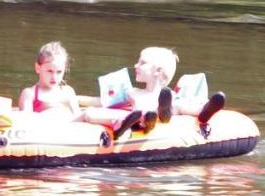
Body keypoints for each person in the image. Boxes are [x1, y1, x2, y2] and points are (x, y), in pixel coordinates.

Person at [25, 41, 145, 139]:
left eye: (59, 72)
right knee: (88, 112)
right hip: (48, 127)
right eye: (49, 71)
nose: (54, 77)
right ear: (38, 68)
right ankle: (118, 122)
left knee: (89, 112)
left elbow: (77, 115)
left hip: (70, 126)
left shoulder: (67, 91)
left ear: (65, 70)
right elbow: (26, 120)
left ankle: (132, 121)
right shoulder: (30, 93)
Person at [96, 46, 227, 133]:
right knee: (147, 107)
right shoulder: (134, 92)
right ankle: (151, 119)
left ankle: (205, 111)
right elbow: (102, 102)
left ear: (158, 71)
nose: (136, 65)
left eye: (142, 63)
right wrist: (77, 98)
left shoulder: (168, 95)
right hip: (144, 116)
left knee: (178, 104)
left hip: (166, 108)